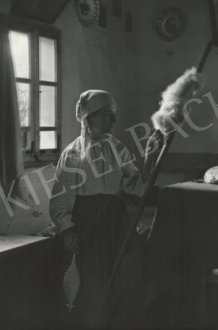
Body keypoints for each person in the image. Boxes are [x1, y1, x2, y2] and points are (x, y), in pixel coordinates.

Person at [49, 90, 162, 329]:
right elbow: (61, 197)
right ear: (88, 118)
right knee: (92, 287)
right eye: (107, 115)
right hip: (86, 225)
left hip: (116, 223)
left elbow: (137, 186)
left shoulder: (117, 148)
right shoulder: (72, 155)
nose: (113, 120)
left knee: (126, 280)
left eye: (114, 115)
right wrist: (67, 229)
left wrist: (151, 156)